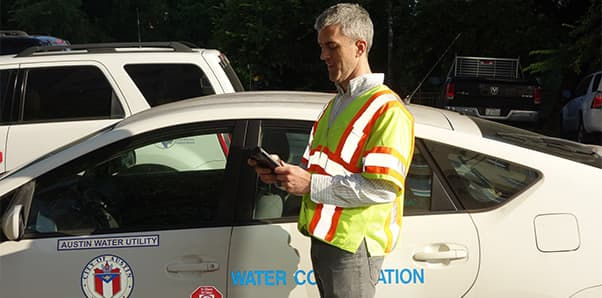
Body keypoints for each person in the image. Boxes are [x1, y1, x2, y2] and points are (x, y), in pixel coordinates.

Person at [249, 3, 415, 297]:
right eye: (322, 47)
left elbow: (382, 189)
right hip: (330, 241)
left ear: (359, 47)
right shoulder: (337, 103)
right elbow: (321, 169)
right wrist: (283, 172)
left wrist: (310, 184)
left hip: (353, 245)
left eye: (331, 47)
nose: (323, 56)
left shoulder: (388, 110)